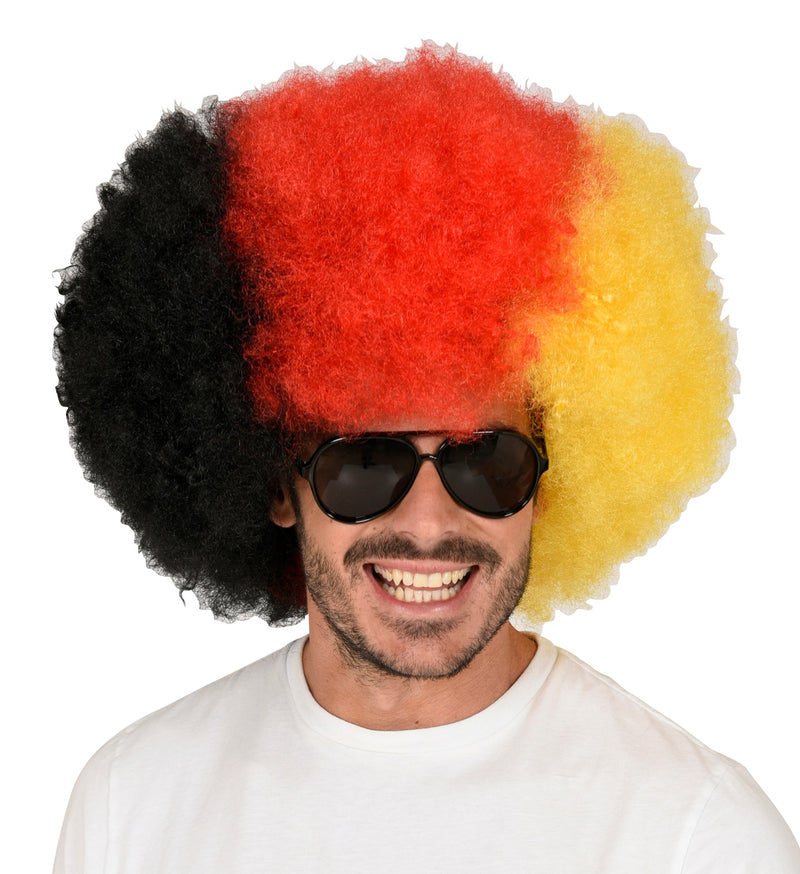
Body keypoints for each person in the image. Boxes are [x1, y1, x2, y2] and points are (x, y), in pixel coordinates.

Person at [53, 44, 799, 872]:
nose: (430, 522)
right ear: (277, 485)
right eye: (365, 464)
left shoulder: (694, 834)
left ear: (550, 480)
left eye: (486, 462)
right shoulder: (132, 805)